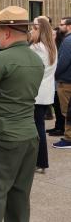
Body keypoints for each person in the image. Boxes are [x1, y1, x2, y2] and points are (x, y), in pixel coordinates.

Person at [0, 6, 44, 221]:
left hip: (2, 137)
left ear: (6, 32)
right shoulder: (36, 60)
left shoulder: (0, 60)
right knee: (20, 196)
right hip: (28, 135)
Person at [29, 16, 57, 169]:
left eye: (33, 28)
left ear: (39, 30)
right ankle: (41, 162)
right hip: (45, 93)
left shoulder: (37, 48)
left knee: (36, 128)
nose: (30, 31)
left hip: (36, 93)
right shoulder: (50, 47)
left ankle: (39, 161)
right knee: (39, 126)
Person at [53, 17, 71, 149]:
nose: (59, 27)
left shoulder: (68, 41)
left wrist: (55, 74)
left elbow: (63, 62)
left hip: (66, 82)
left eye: (61, 24)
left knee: (67, 112)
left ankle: (68, 138)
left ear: (69, 26)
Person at [48, 26, 68, 136]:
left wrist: (55, 74)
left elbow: (61, 63)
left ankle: (62, 129)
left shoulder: (63, 44)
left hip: (59, 79)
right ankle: (58, 126)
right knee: (57, 104)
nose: (52, 36)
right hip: (55, 80)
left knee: (62, 107)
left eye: (54, 35)